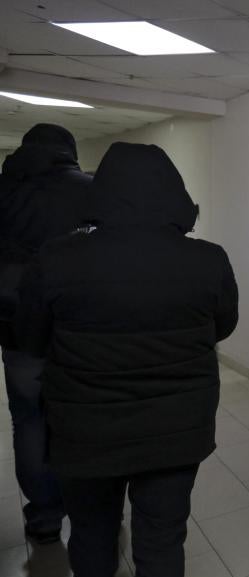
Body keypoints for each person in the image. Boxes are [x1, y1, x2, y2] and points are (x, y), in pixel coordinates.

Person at [16, 142, 238, 577]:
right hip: (175, 432)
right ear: (175, 194)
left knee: (92, 530)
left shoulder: (57, 259)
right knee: (161, 544)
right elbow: (222, 327)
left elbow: (31, 339)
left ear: (102, 194)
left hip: (84, 431)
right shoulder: (208, 260)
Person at [0, 123, 92, 544]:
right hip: (76, 328)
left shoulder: (5, 191)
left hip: (16, 328)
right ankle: (95, 511)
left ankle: (44, 517)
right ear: (68, 150)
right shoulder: (90, 190)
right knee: (83, 417)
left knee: (29, 421)